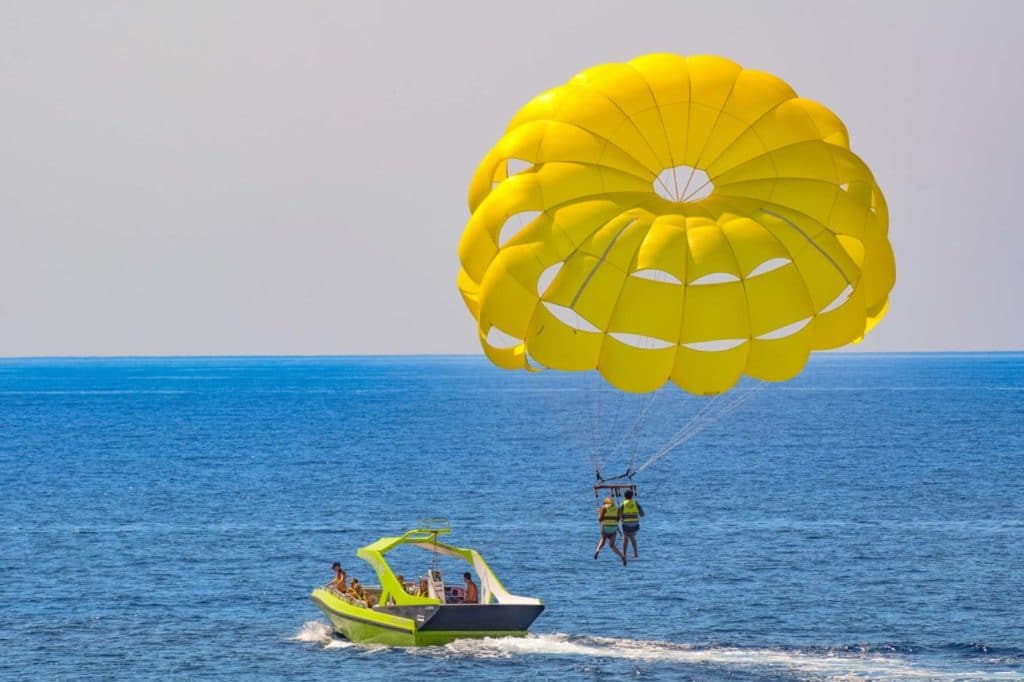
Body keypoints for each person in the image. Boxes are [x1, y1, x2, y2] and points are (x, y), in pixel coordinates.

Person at [594, 497, 627, 565]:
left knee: (603, 539)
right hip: (613, 528)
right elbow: (618, 519)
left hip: (605, 527)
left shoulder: (604, 507)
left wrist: (599, 512)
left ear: (605, 502)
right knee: (612, 545)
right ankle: (622, 556)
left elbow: (600, 519)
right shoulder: (617, 508)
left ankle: (597, 550)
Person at [620, 488, 645, 559]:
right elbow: (642, 514)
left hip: (626, 525)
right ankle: (635, 552)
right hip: (635, 526)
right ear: (632, 496)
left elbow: (618, 513)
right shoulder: (635, 503)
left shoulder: (623, 504)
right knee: (633, 537)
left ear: (624, 496)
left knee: (625, 538)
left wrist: (621, 518)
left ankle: (624, 554)